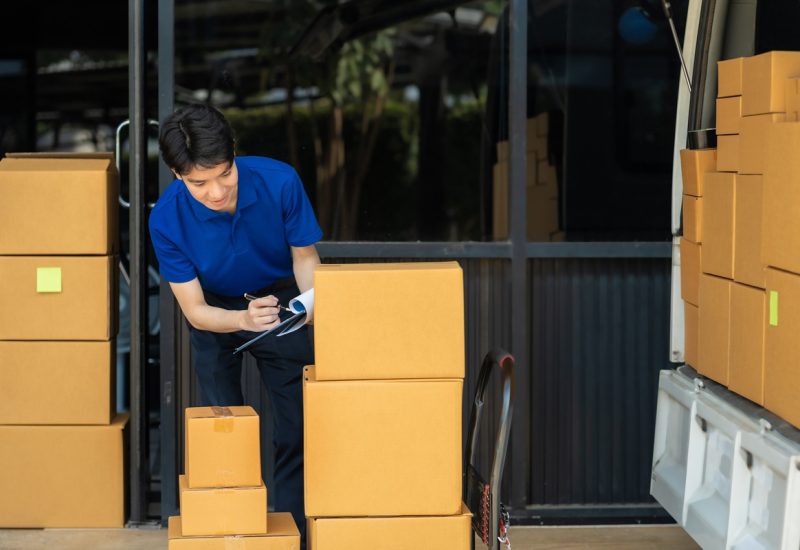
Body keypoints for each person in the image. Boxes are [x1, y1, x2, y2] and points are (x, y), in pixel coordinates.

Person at [149, 103, 321, 545]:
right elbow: (193, 309)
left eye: (224, 174)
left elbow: (305, 260)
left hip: (281, 297)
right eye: (198, 183)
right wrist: (240, 319)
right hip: (215, 311)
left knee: (298, 424)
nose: (216, 191)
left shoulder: (279, 180)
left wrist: (307, 307)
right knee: (226, 432)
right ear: (175, 173)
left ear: (234, 155)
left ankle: (293, 534)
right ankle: (235, 534)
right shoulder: (165, 218)